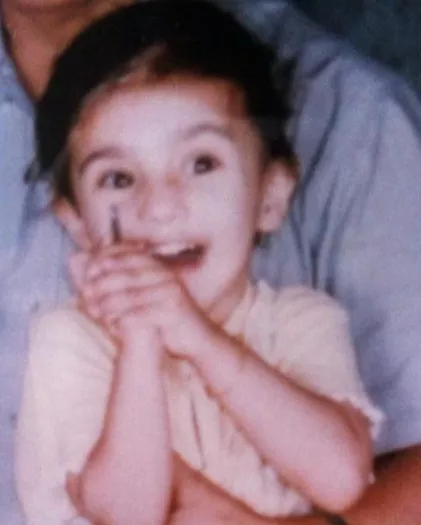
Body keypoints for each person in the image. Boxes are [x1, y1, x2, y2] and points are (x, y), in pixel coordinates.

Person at [1, 1, 421, 525]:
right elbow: (125, 514)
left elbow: (341, 478)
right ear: (77, 225)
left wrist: (198, 338)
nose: (159, 207)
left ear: (271, 196)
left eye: (201, 164)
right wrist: (142, 342)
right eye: (119, 179)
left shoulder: (301, 320)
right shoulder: (71, 339)